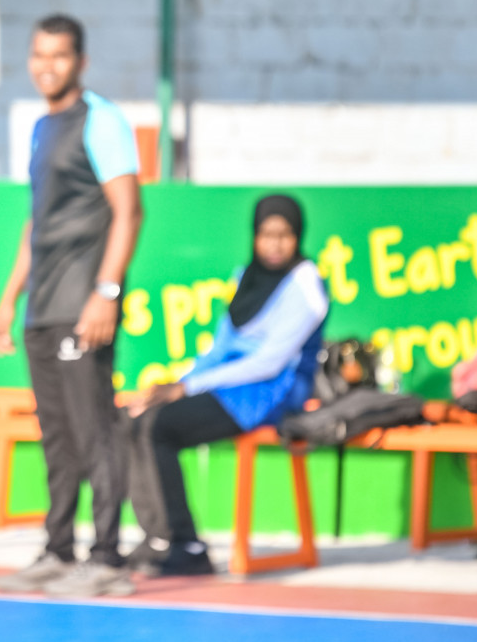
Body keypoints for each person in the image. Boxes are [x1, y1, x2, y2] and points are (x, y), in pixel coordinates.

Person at [0, 14, 143, 599]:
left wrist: (106, 292)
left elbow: (129, 211)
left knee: (95, 432)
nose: (45, 66)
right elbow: (39, 222)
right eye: (38, 55)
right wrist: (8, 301)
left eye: (58, 56)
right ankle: (58, 551)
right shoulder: (40, 126)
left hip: (85, 304)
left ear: (80, 61)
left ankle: (106, 559)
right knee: (57, 435)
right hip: (44, 307)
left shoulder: (101, 120)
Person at [126, 194, 328, 574]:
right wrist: (175, 384)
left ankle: (187, 546)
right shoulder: (247, 278)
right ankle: (159, 539)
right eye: (266, 234)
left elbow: (270, 362)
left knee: (159, 427)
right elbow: (221, 349)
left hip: (271, 393)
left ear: (297, 236)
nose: (274, 243)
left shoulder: (307, 285)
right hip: (230, 386)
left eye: (284, 234)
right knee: (137, 418)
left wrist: (187, 390)